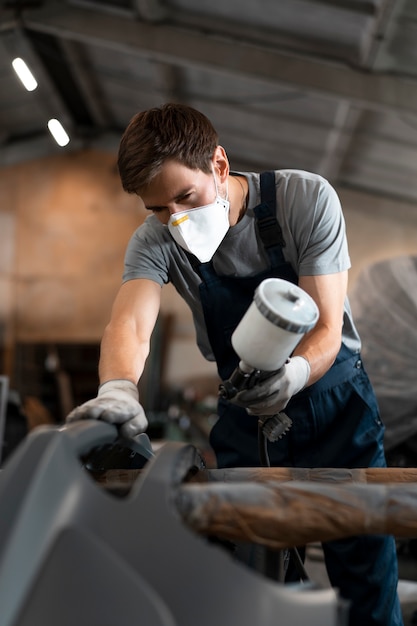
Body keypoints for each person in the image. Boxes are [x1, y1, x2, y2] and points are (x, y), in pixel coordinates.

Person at [67, 103, 403, 626]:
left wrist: (291, 375)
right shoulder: (155, 242)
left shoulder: (303, 199)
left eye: (185, 197)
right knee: (247, 576)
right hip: (248, 411)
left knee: (364, 570)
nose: (175, 219)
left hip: (335, 405)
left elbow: (326, 329)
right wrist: (117, 388)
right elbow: (131, 323)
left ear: (219, 165)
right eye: (158, 208)